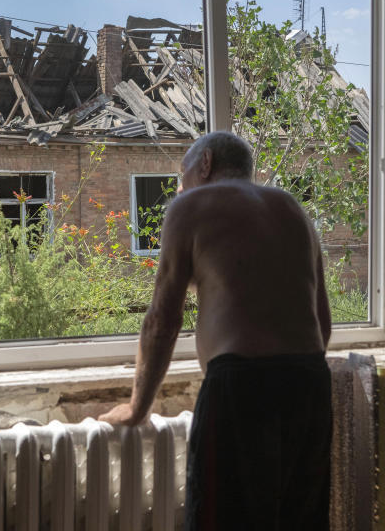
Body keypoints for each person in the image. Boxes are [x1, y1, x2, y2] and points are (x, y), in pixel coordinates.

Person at [98, 131, 333, 530]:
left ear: (205, 162)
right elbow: (321, 321)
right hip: (309, 383)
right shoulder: (290, 207)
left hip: (240, 388)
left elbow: (162, 319)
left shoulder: (191, 204)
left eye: (182, 171)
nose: (179, 183)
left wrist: (138, 408)